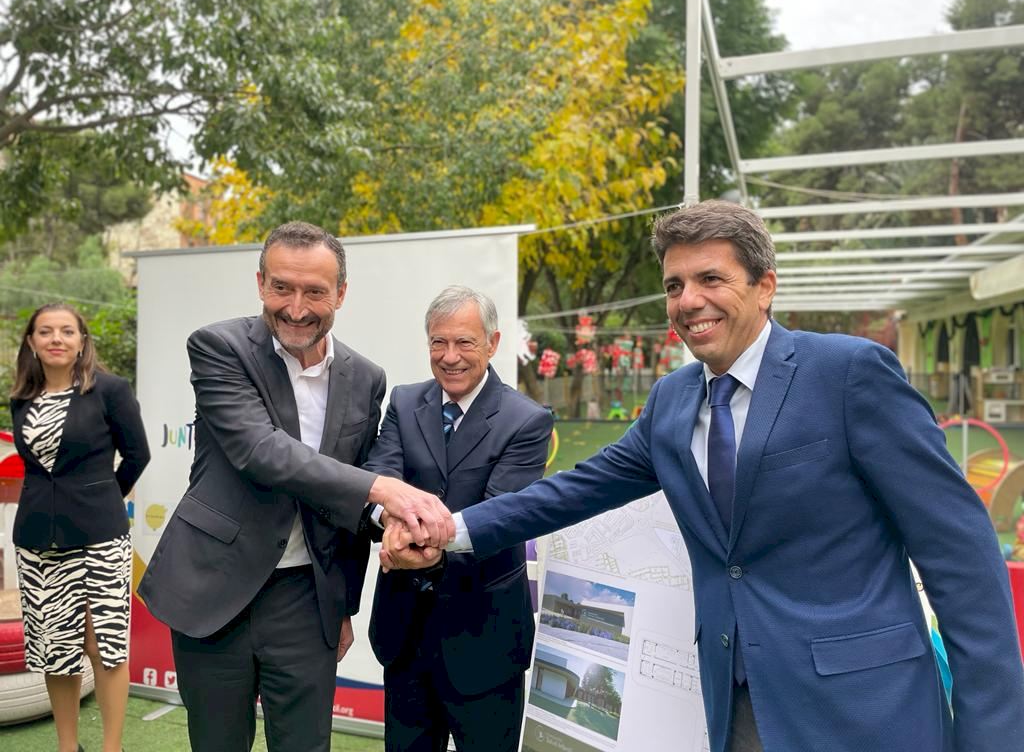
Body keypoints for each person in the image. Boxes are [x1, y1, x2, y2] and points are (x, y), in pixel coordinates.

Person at [383, 200, 1024, 752]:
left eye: (710, 278)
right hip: (737, 705)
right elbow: (570, 492)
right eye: (674, 285)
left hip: (866, 707)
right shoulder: (672, 401)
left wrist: (994, 734)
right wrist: (447, 529)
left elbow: (961, 555)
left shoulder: (850, 374)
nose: (689, 300)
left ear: (765, 286)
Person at [137, 221, 453, 752]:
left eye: (315, 292)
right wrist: (383, 489)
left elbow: (346, 500)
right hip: (215, 587)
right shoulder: (219, 347)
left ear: (341, 294)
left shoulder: (366, 378)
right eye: (282, 287)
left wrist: (346, 597)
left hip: (307, 598)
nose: (296, 307)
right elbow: (261, 450)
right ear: (260, 282)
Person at [365, 286, 553, 752]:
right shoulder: (404, 402)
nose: (450, 357)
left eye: (464, 342)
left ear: (492, 343)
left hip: (485, 642)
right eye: (438, 342)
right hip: (405, 634)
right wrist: (388, 522)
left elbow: (501, 515)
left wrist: (421, 549)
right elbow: (378, 478)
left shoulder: (526, 420)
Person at [11, 303, 151, 752]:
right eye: (46, 331)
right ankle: (67, 746)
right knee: (54, 651)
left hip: (98, 539)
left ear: (82, 340)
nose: (57, 338)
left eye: (67, 331)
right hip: (37, 541)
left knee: (104, 645)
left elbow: (138, 455)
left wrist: (103, 498)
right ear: (31, 342)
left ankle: (112, 747)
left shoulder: (110, 390)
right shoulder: (22, 398)